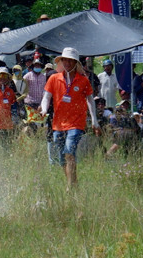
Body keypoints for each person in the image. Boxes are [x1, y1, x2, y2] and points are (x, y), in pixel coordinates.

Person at [41, 47, 101, 189]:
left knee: (69, 151)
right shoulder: (54, 78)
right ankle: (74, 183)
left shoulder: (83, 80)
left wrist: (94, 120)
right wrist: (44, 109)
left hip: (76, 123)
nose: (67, 63)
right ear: (61, 61)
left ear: (75, 63)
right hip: (58, 124)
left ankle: (69, 187)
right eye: (65, 60)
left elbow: (90, 99)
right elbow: (46, 97)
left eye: (70, 60)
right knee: (62, 157)